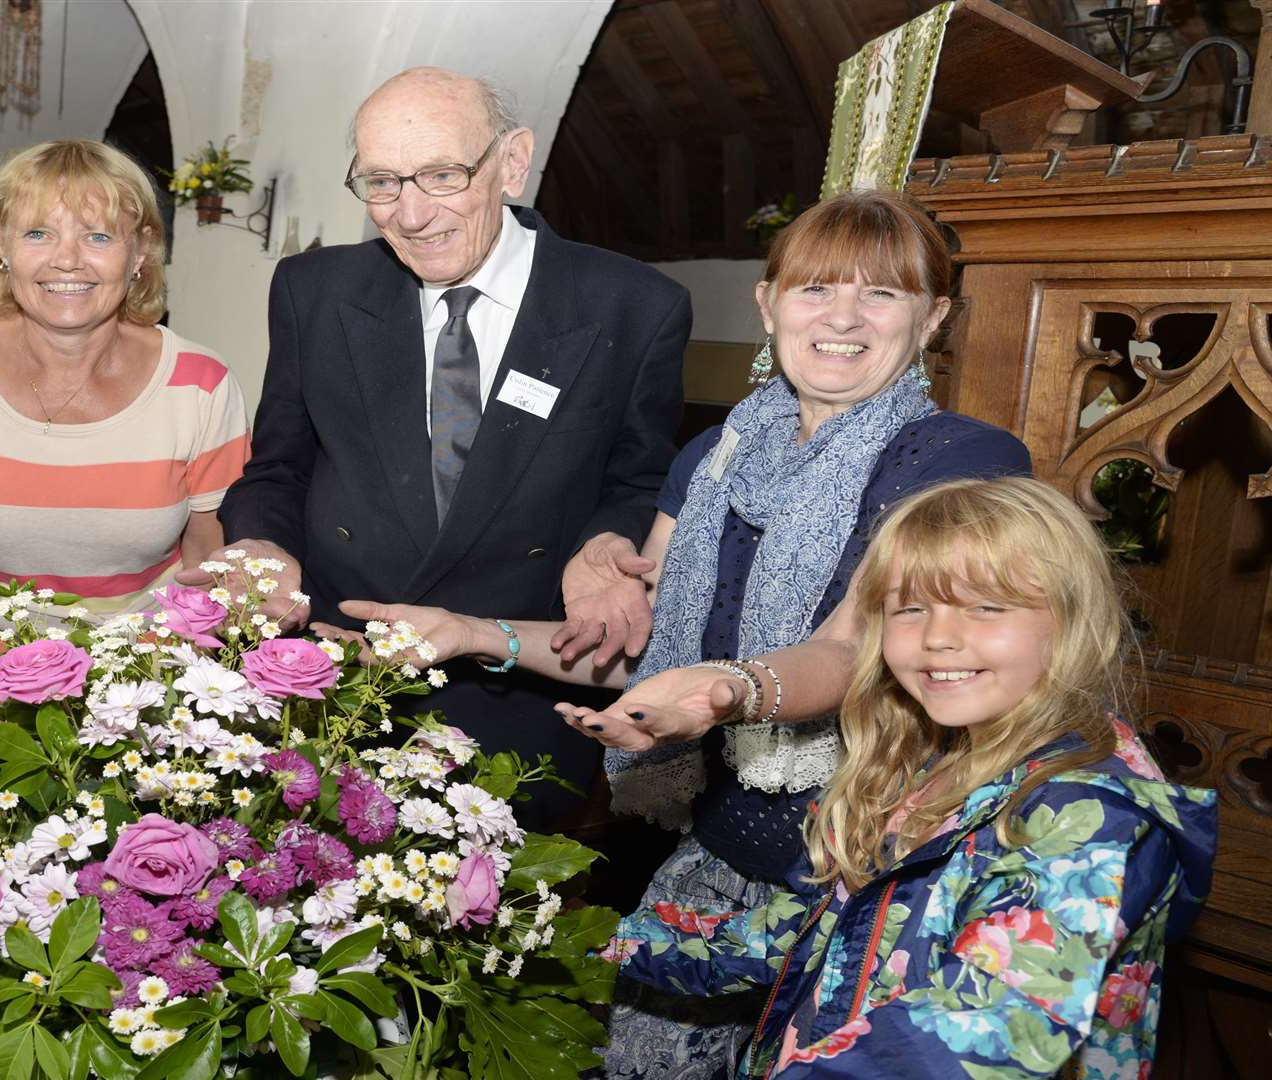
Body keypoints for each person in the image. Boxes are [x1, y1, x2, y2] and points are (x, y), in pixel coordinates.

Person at [336, 190, 1035, 1076]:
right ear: (769, 301)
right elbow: (642, 649)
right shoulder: (711, 458)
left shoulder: (963, 464)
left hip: (873, 868)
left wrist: (726, 691)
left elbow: (854, 646)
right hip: (716, 853)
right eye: (816, 287)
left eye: (883, 295)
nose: (844, 317)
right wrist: (474, 633)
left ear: (933, 318)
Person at [198, 67, 691, 826]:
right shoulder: (315, 291)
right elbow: (278, 466)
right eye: (382, 182)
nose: (412, 213)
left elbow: (637, 476)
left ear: (513, 162)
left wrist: (605, 543)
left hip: (517, 690)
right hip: (337, 676)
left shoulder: (633, 304)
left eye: (441, 175)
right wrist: (261, 541)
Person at [606, 477, 1216, 1079]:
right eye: (910, 608)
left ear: (1071, 620)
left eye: (985, 606)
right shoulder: (917, 769)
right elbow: (789, 937)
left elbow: (961, 1048)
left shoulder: (1089, 821)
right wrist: (580, 936)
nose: (938, 638)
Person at [0, 139, 248, 667]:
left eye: (97, 236)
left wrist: (182, 701)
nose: (67, 259)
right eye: (38, 233)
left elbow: (210, 561)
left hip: (138, 683)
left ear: (139, 253)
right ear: (3, 245)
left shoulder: (200, 385)